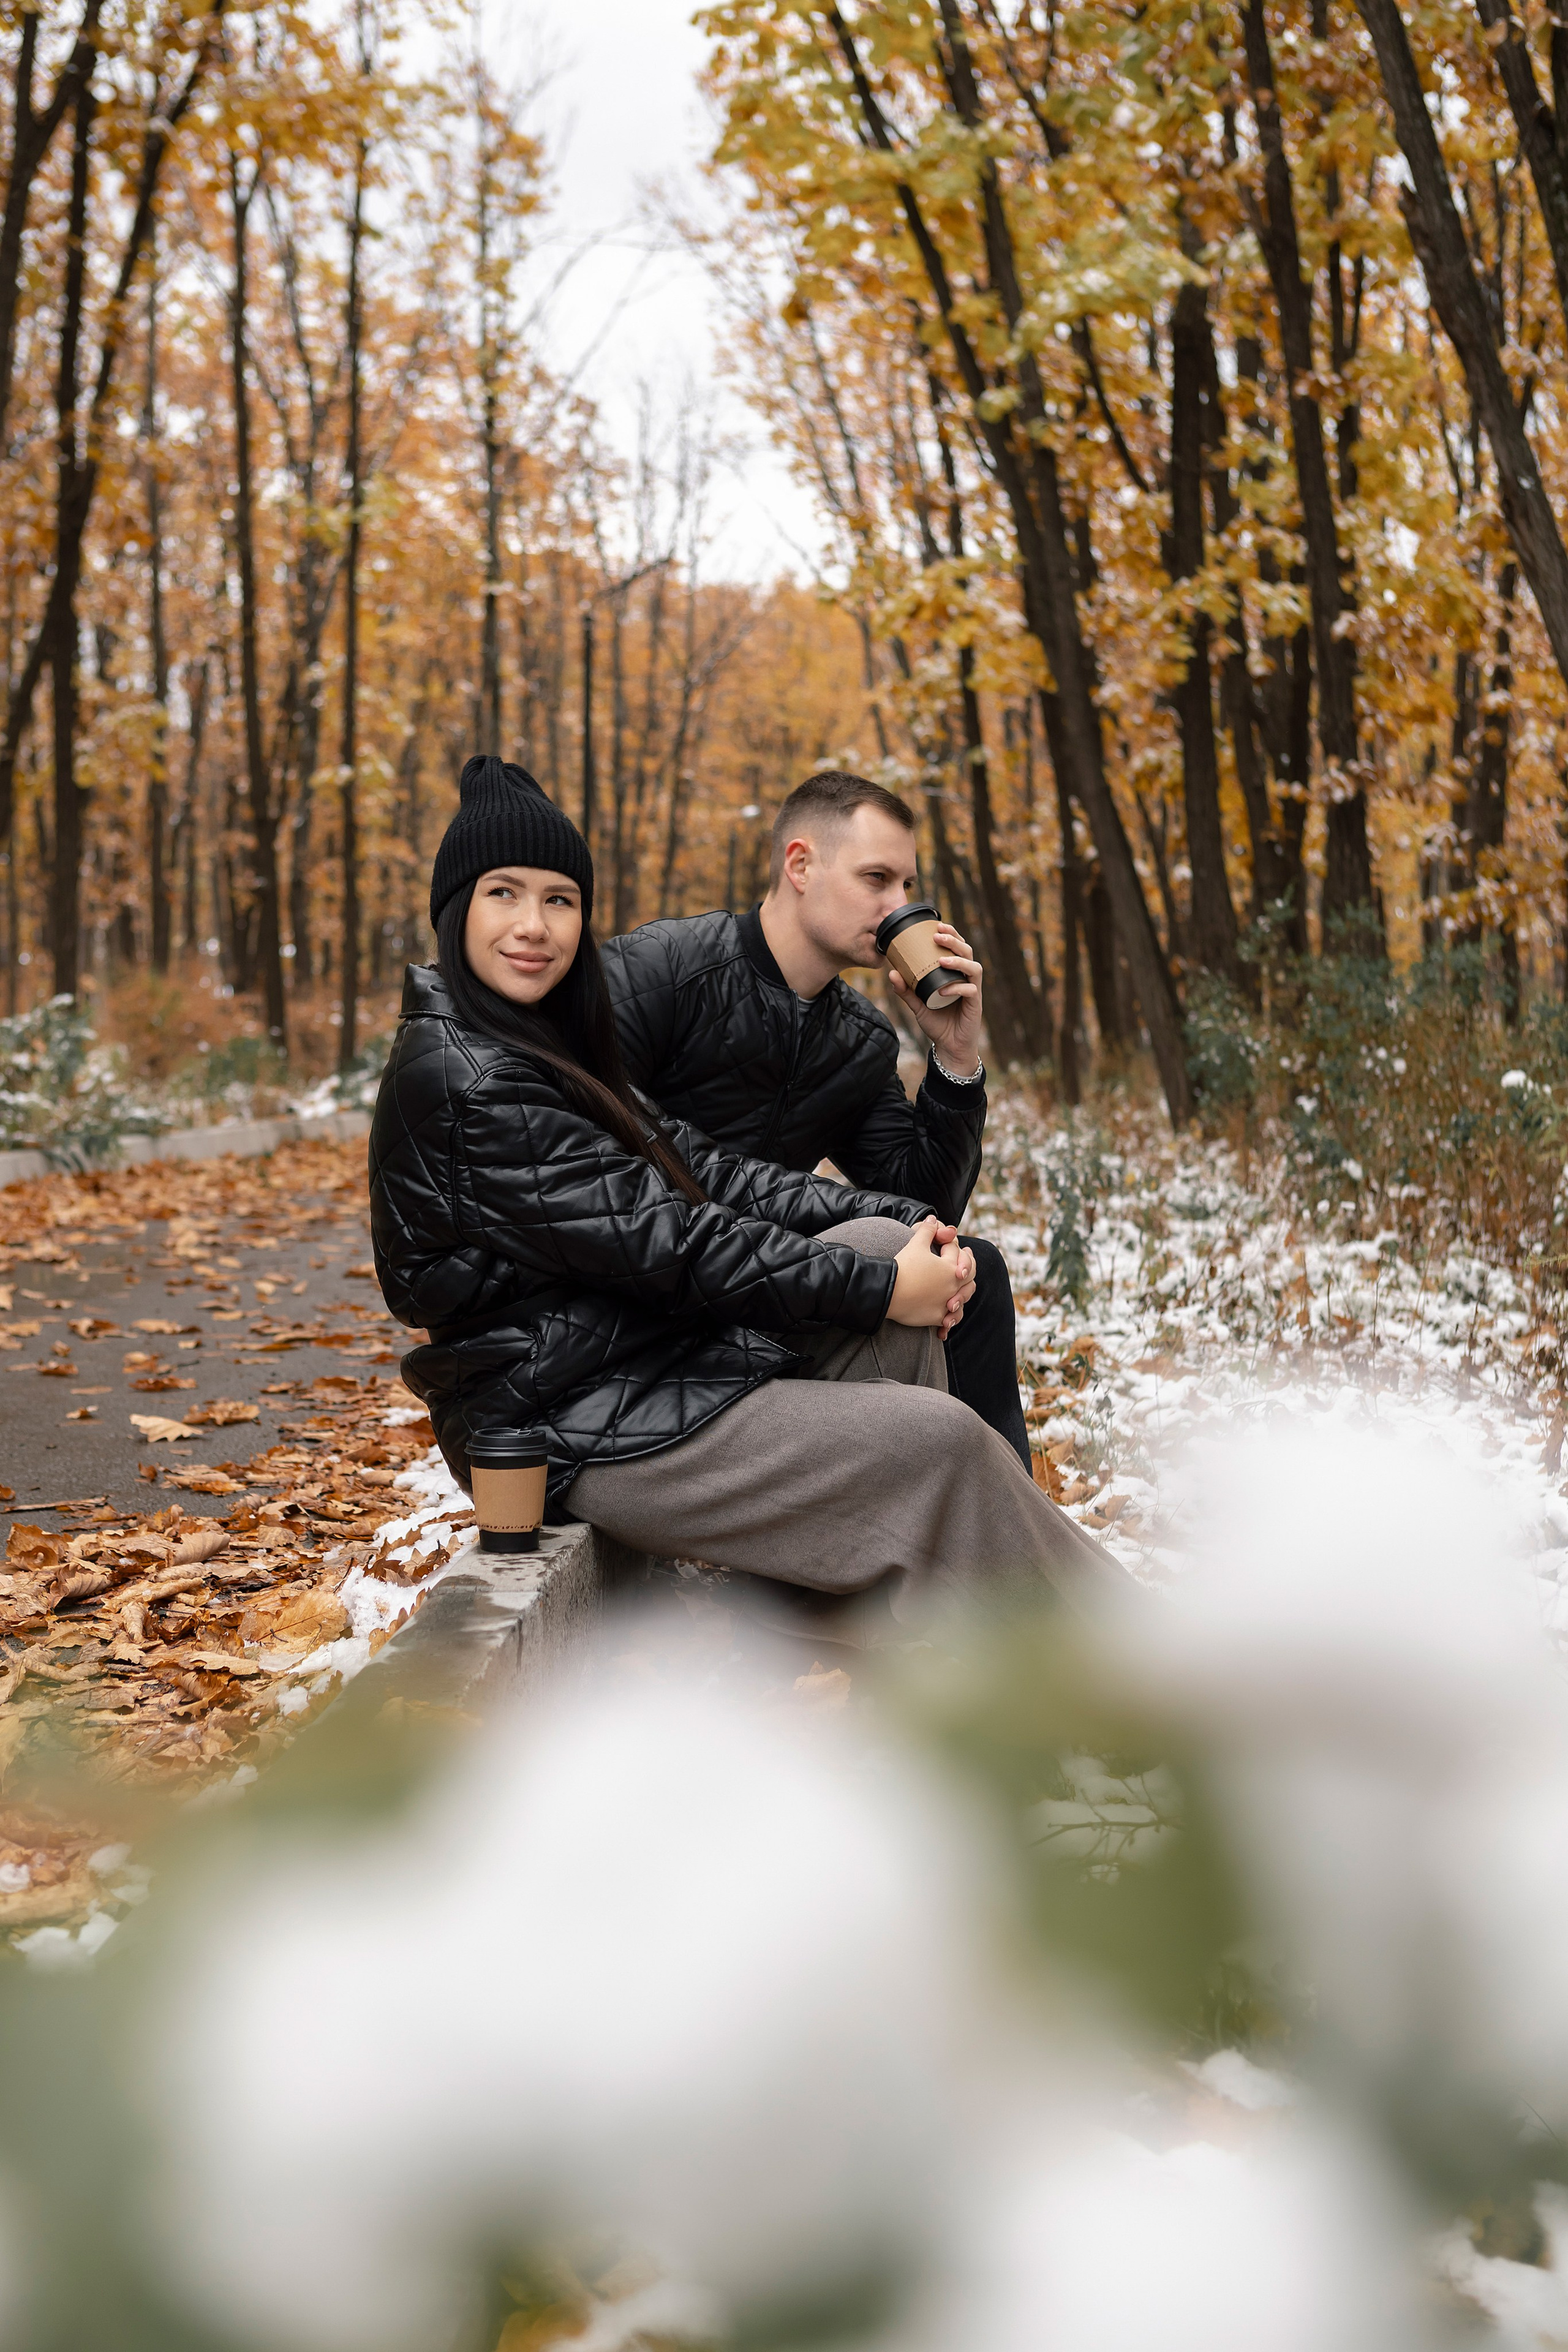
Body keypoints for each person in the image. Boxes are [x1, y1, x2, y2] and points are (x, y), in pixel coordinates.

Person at [369, 755, 1114, 1637]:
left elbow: (710, 1171)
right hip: (566, 1411)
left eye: (560, 901)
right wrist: (876, 1288)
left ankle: (909, 1607)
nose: (535, 926)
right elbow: (669, 1238)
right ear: (457, 910)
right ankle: (1136, 1669)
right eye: (504, 894)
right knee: (936, 1439)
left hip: (636, 1350)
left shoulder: (545, 1042)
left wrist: (918, 1214)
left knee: (908, 1252)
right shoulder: (488, 1073)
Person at [601, 770, 1032, 1466]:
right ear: (800, 865)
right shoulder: (658, 972)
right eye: (877, 879)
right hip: (642, 1289)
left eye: (906, 886)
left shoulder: (858, 1040)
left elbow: (925, 1206)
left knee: (970, 1268)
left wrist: (953, 1058)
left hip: (768, 1290)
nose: (900, 906)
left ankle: (1005, 1534)